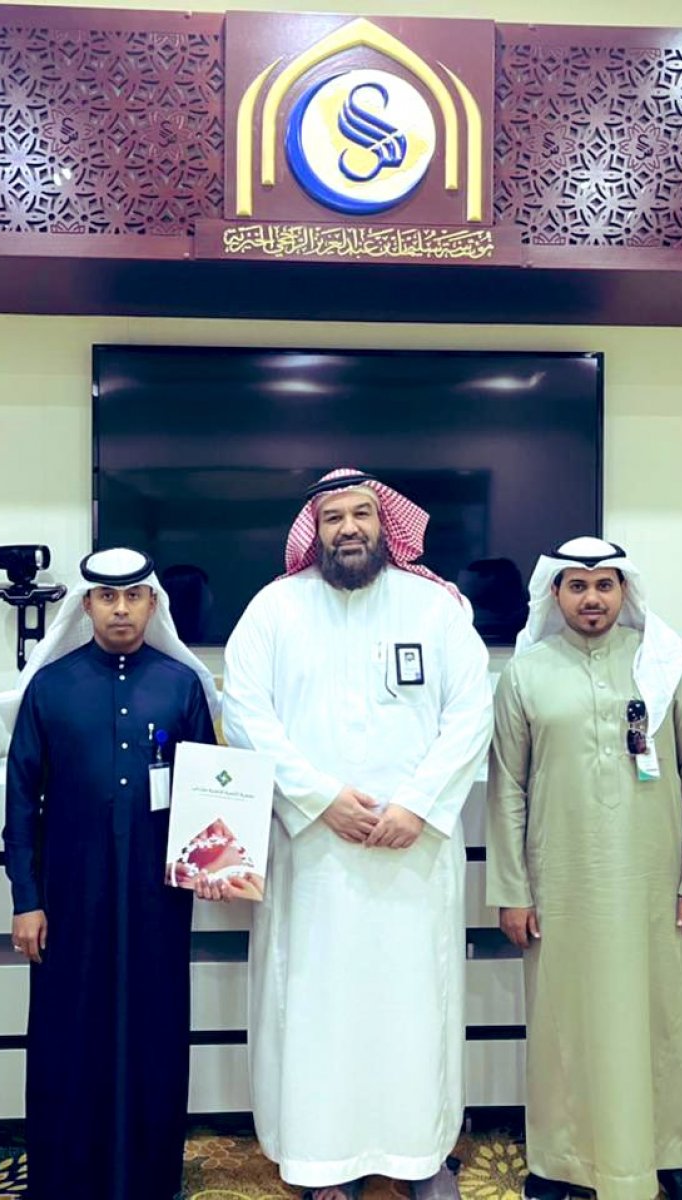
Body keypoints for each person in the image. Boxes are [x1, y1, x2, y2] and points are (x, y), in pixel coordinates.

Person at [221, 469, 493, 1200]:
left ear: (385, 524)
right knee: (316, 1009)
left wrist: (418, 805)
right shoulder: (273, 610)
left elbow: (472, 713)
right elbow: (244, 713)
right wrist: (321, 800)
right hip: (314, 855)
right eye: (333, 516)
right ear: (314, 531)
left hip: (413, 854)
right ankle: (321, 1163)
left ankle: (408, 1158)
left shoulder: (435, 609)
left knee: (412, 1006)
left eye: (362, 514)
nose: (349, 528)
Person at [488, 536, 682, 1200]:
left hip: (655, 881)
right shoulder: (525, 673)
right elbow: (507, 788)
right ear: (555, 594)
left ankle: (672, 1155)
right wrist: (511, 890)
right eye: (577, 586)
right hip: (559, 883)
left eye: (603, 585)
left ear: (624, 591)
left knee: (664, 1016)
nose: (591, 598)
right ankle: (559, 1159)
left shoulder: (666, 665)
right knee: (563, 1021)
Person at [0, 548, 221, 1200]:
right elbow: (20, 801)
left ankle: (148, 1179)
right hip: (69, 899)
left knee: (154, 1031)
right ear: (87, 604)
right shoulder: (51, 687)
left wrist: (218, 864)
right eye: (106, 597)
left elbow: (209, 793)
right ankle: (64, 1179)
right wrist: (26, 899)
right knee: (68, 1033)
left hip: (158, 901)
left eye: (132, 597)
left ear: (152, 604)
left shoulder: (181, 686)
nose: (120, 609)